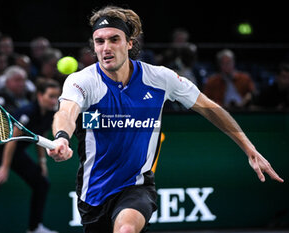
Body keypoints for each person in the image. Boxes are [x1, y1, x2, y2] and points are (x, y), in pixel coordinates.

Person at [47, 6, 284, 233]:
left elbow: (210, 108)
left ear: (129, 43)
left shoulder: (160, 78)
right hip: (93, 193)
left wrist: (249, 148)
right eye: (100, 41)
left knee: (126, 229)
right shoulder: (83, 81)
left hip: (136, 185)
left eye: (114, 39)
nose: (106, 47)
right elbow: (66, 112)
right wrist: (61, 137)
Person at [0, 78, 61, 233]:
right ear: (39, 96)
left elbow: (41, 134)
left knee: (42, 183)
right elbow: (11, 140)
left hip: (16, 152)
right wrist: (4, 166)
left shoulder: (50, 114)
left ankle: (35, 228)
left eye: (57, 96)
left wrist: (42, 162)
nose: (54, 100)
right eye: (51, 96)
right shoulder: (27, 112)